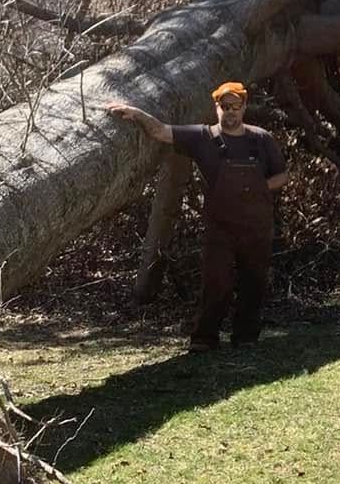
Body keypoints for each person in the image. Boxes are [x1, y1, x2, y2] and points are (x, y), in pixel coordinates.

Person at [106, 82, 288, 348]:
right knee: (216, 283)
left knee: (254, 282)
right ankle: (204, 338)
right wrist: (136, 113)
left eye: (235, 106)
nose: (230, 112)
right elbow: (161, 132)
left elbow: (282, 176)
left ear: (244, 107)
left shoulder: (261, 138)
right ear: (216, 108)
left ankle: (246, 336)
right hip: (221, 229)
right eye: (224, 107)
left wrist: (258, 187)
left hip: (256, 227)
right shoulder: (202, 137)